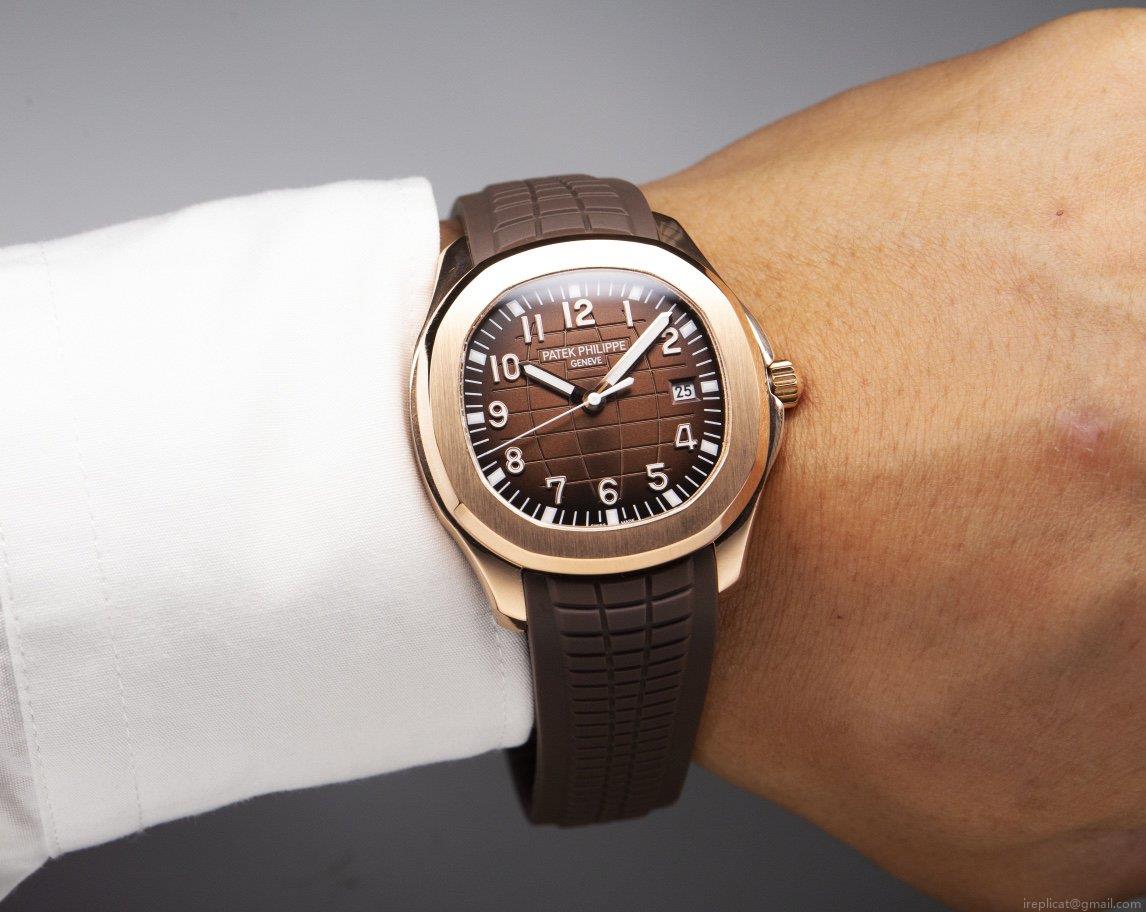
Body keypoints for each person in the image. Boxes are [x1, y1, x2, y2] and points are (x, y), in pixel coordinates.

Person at [0, 9, 1141, 909]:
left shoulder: (718, 393)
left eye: (609, 386)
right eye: (584, 394)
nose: (595, 398)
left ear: (769, 379)